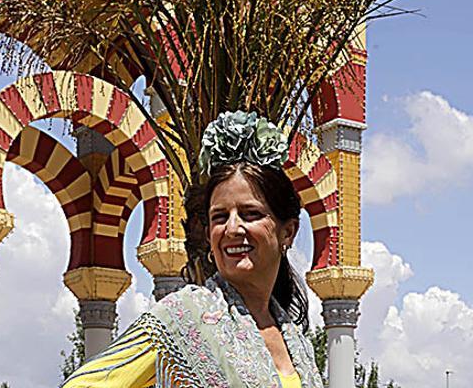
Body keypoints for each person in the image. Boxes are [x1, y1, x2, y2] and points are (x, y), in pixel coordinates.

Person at [61, 111, 323, 388]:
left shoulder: (296, 340)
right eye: (219, 217)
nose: (232, 229)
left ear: (288, 232)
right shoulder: (184, 318)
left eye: (250, 214)